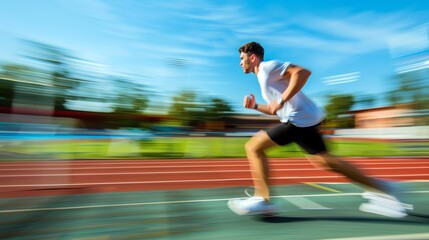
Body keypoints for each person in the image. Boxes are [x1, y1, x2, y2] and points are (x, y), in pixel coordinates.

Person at [227, 41, 411, 218]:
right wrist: (255, 106)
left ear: (252, 58)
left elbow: (303, 72)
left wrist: (282, 99)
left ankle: (263, 201)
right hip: (305, 119)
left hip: (298, 120)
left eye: (242, 59)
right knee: (326, 162)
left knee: (254, 147)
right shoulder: (263, 78)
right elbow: (275, 108)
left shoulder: (268, 67)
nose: (240, 63)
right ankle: (385, 188)